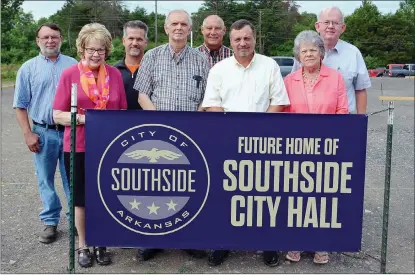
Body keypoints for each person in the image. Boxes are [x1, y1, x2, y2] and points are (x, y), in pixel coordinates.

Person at [201, 19, 290, 267]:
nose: (243, 43)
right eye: (238, 39)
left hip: (262, 142)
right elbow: (212, 104)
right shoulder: (219, 69)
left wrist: (258, 130)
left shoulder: (269, 65)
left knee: (263, 195)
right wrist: (233, 131)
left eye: (247, 38)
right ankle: (223, 242)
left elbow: (278, 101)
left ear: (254, 39)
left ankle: (268, 244)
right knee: (226, 194)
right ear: (231, 42)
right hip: (226, 142)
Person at [133, 9, 210, 260]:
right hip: (158, 134)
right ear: (166, 28)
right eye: (174, 23)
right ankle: (152, 240)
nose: (179, 27)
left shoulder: (201, 60)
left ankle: (189, 238)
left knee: (189, 188)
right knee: (156, 187)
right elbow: (142, 94)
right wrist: (158, 121)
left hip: (192, 134)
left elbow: (207, 97)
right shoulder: (152, 57)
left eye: (184, 24)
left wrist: (195, 119)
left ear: (190, 29)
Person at [52, 23, 127, 268]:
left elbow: (123, 111)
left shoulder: (114, 75)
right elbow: (57, 115)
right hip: (79, 146)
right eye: (91, 49)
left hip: (108, 147)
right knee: (81, 198)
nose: (96, 54)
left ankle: (101, 242)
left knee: (105, 196)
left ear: (107, 51)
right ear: (82, 49)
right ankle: (84, 244)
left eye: (101, 50)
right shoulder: (70, 74)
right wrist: (85, 119)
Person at [284, 30, 348, 264]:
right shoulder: (289, 80)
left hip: (327, 147)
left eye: (313, 50)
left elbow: (342, 111)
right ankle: (296, 241)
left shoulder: (336, 78)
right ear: (298, 56)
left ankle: (321, 243)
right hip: (296, 148)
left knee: (322, 196)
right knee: (296, 196)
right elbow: (285, 114)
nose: (309, 54)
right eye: (304, 51)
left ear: (321, 52)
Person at [13, 23, 77, 244]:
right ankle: (50, 222)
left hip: (71, 131)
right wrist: (27, 134)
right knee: (45, 179)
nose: (50, 41)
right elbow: (20, 105)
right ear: (37, 40)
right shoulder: (28, 68)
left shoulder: (74, 65)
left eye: (55, 37)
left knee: (73, 178)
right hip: (43, 132)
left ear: (61, 39)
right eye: (46, 37)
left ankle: (76, 220)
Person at [291, 6, 371, 114]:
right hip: (306, 120)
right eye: (326, 22)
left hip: (343, 120)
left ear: (343, 28)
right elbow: (293, 87)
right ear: (317, 26)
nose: (330, 26)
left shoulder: (353, 53)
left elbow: (360, 90)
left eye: (335, 23)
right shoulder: (304, 54)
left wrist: (360, 123)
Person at [114, 20, 149, 110]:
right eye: (131, 38)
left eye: (139, 39)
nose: (134, 43)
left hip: (147, 122)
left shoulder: (153, 70)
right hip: (121, 122)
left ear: (146, 42)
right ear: (124, 41)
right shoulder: (113, 71)